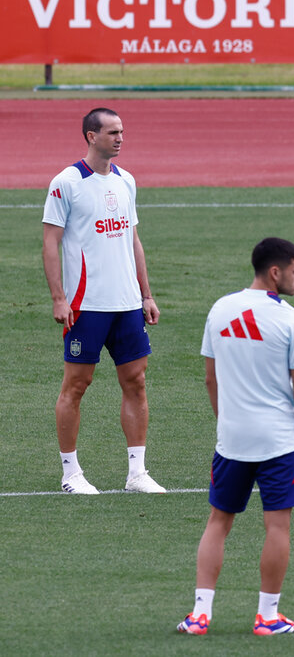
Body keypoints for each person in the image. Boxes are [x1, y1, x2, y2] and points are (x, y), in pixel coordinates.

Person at [178, 237, 294, 636]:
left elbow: (210, 377)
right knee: (277, 527)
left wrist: (227, 421)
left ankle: (199, 614)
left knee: (218, 521)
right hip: (279, 442)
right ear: (275, 273)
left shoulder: (220, 309)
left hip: (232, 440)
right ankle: (268, 616)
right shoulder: (292, 321)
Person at [42, 107, 164, 495]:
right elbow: (50, 242)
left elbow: (133, 239)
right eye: (112, 132)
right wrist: (59, 298)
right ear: (91, 136)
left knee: (136, 382)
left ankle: (137, 473)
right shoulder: (67, 182)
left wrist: (145, 294)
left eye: (122, 131)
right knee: (76, 385)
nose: (120, 138)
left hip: (126, 304)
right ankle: (71, 474)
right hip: (86, 306)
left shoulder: (127, 181)